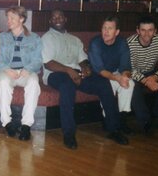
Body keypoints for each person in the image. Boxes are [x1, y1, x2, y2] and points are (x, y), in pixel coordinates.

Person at [41, 10, 128, 149]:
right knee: (67, 86)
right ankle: (69, 133)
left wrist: (86, 68)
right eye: (54, 17)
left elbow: (83, 59)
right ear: (50, 21)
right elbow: (48, 63)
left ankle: (114, 129)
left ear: (66, 19)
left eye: (60, 16)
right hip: (55, 74)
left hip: (76, 73)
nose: (57, 19)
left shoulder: (74, 39)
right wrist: (68, 70)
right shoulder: (46, 38)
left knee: (103, 83)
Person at [0, 6, 42, 141]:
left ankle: (26, 125)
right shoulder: (2, 37)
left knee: (33, 82)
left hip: (25, 72)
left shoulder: (34, 38)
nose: (8, 21)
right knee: (3, 83)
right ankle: (7, 123)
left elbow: (38, 60)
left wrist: (27, 69)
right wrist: (6, 69)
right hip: (7, 71)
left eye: (12, 18)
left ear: (21, 19)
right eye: (7, 18)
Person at [88, 16, 134, 134]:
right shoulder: (95, 43)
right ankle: (108, 119)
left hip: (115, 73)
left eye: (110, 28)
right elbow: (100, 70)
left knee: (129, 84)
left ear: (117, 32)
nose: (106, 31)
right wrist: (117, 78)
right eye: (104, 28)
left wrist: (124, 77)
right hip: (98, 75)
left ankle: (121, 120)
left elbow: (126, 66)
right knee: (108, 86)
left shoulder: (122, 42)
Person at [127, 16, 158, 133]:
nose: (147, 34)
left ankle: (157, 117)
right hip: (134, 74)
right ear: (137, 31)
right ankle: (146, 122)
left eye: (150, 30)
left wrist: (155, 77)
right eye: (143, 30)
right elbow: (129, 69)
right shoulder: (130, 43)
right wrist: (146, 81)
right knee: (132, 87)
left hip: (151, 73)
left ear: (155, 31)